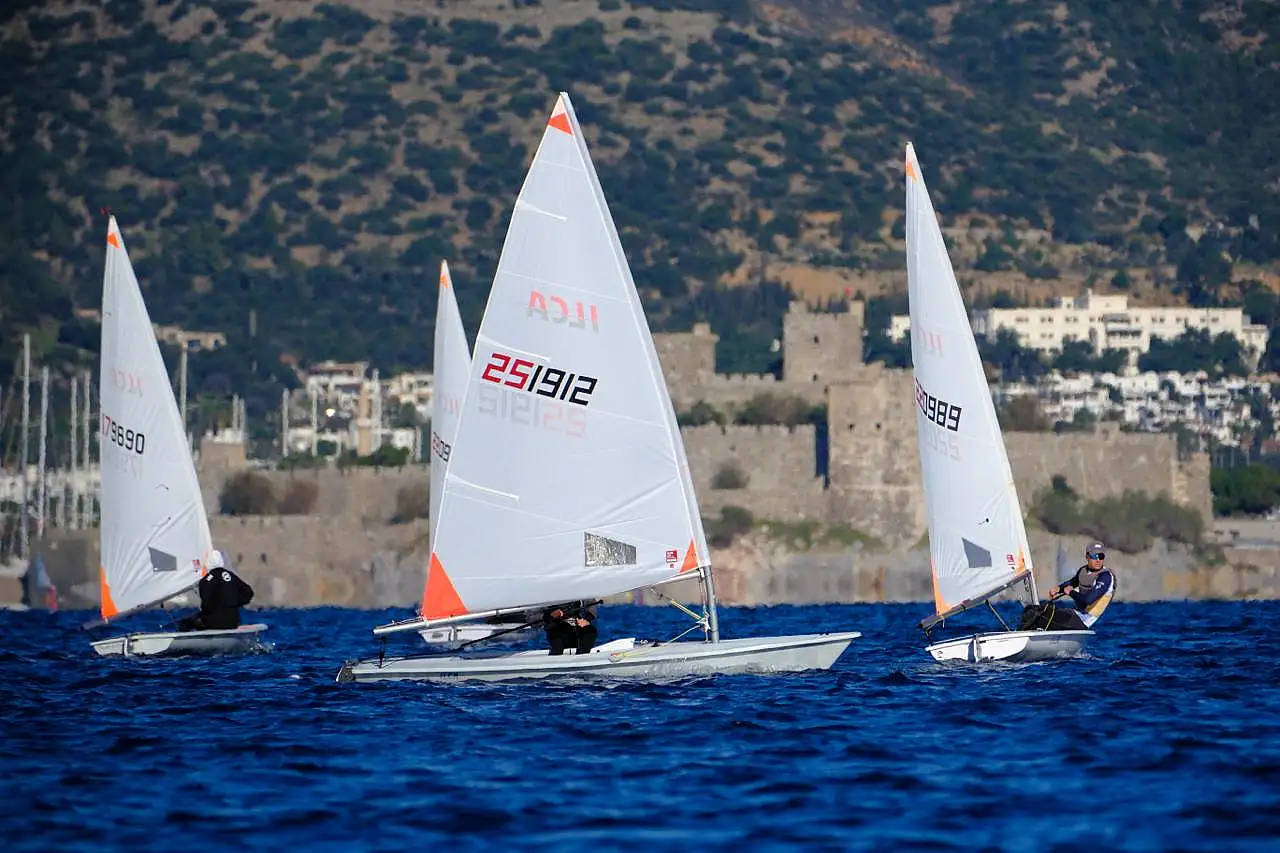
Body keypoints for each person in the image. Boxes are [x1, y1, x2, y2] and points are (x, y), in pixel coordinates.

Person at [1019, 541, 1117, 631]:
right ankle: (1022, 633)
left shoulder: (1105, 576)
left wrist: (1070, 592)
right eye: (1095, 556)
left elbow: (1088, 600)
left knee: (1039, 613)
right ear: (1087, 557)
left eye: (1101, 556)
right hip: (1074, 614)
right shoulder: (1083, 571)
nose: (1098, 560)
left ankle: (1024, 634)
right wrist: (1059, 589)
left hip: (1083, 621)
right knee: (1032, 610)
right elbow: (1072, 583)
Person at [176, 550, 255, 632]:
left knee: (186, 622)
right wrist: (234, 603)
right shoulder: (230, 575)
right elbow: (249, 593)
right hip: (233, 621)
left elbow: (206, 605)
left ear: (208, 563)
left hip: (215, 622)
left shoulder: (206, 580)